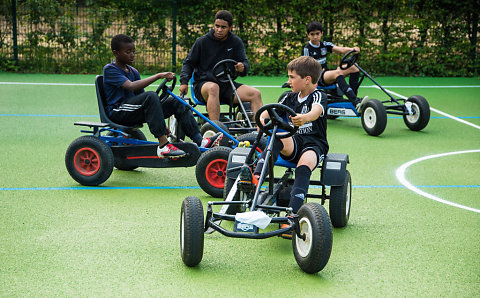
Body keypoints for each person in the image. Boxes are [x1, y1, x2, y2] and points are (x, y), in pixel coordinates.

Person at [103, 34, 222, 159]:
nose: (132, 55)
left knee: (177, 101)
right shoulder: (110, 69)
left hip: (133, 110)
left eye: (133, 51)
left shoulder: (133, 71)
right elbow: (131, 86)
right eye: (128, 52)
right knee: (151, 96)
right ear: (116, 53)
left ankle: (200, 140)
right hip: (118, 111)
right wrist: (158, 76)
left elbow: (141, 96)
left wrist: (159, 120)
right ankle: (163, 145)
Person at [254, 56, 329, 237]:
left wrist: (305, 118)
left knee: (305, 165)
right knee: (277, 135)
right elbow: (271, 109)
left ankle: (292, 215)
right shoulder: (289, 96)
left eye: (291, 77)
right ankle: (255, 176)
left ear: (307, 79)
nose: (288, 82)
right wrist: (262, 116)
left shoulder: (318, 95)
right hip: (293, 142)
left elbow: (316, 111)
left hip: (314, 144)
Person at [179, 10, 263, 121]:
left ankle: (259, 133)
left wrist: (242, 67)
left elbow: (245, 63)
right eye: (217, 26)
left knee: (255, 94)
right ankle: (216, 130)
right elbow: (188, 63)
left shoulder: (236, 42)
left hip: (227, 85)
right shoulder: (202, 42)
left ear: (230, 28)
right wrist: (184, 82)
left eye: (223, 27)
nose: (219, 30)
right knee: (214, 88)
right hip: (203, 86)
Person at [302, 21, 368, 111]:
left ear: (321, 33)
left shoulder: (325, 45)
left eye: (317, 34)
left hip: (326, 73)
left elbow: (340, 49)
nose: (315, 37)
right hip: (317, 77)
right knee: (337, 73)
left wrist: (352, 49)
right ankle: (355, 101)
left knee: (354, 67)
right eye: (312, 34)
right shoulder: (307, 49)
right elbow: (304, 66)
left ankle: (353, 97)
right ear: (308, 35)